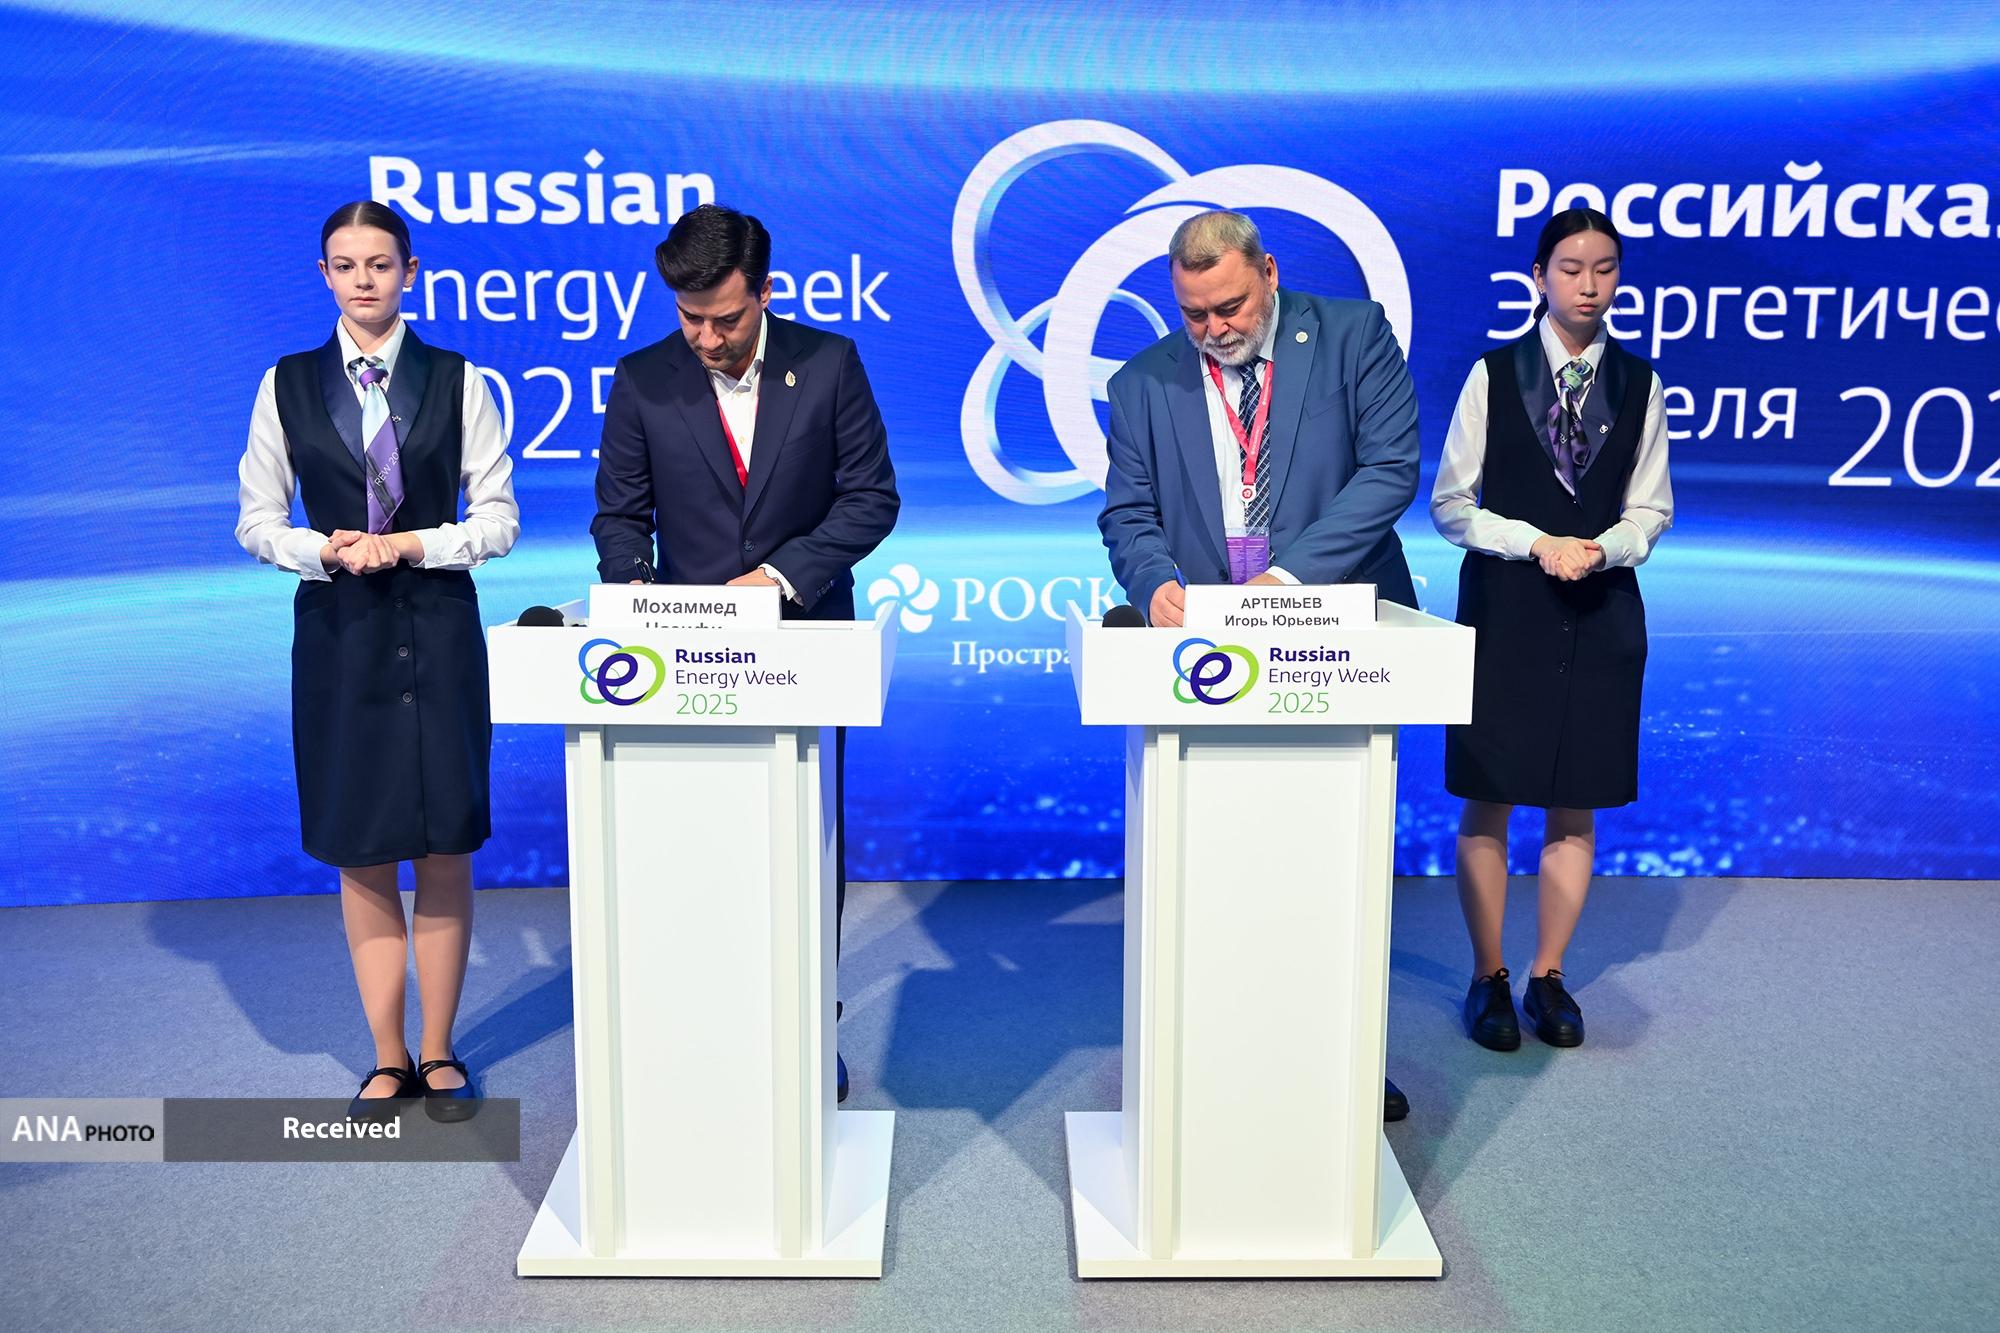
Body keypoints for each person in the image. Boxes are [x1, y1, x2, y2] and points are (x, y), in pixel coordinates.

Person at [1098, 209, 1422, 1122]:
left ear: (1269, 273)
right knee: (1224, 865)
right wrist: (1155, 583)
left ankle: (1341, 1056)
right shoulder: (1141, 381)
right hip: (1210, 649)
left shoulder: (1353, 334)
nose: (1214, 329)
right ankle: (1229, 1053)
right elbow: (1128, 514)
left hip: (1335, 627)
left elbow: (1390, 470)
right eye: (1194, 314)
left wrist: (1287, 579)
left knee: (1333, 859)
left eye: (1231, 307)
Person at [591, 203, 899, 1102]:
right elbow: (620, 515)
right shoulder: (643, 379)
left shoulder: (829, 363)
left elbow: (871, 499)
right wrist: (637, 592)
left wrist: (780, 576)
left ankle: (807, 1024)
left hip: (807, 646)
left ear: (764, 291)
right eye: (689, 318)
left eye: (724, 318)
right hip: (685, 660)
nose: (706, 338)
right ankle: (706, 1025)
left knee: (805, 847)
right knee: (700, 852)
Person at [236, 201, 519, 1120]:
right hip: (340, 638)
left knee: (442, 847)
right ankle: (387, 1055)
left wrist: (412, 545)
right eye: (346, 265)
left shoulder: (458, 379)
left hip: (439, 631)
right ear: (324, 274)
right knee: (362, 854)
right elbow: (256, 521)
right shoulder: (286, 383)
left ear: (410, 270)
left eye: (381, 263)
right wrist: (320, 549)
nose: (364, 280)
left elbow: (498, 520)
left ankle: (439, 1050)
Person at [1430, 207, 1673, 1052]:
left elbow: (1652, 508)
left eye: (1605, 268)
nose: (1589, 285)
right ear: (1539, 276)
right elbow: (1451, 505)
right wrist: (1536, 542)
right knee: (1490, 793)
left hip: (1601, 612)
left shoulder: (1640, 383)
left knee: (1578, 803)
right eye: (1571, 268)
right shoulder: (1494, 375)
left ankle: (1549, 975)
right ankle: (1489, 975)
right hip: (1507, 611)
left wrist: (1602, 549)